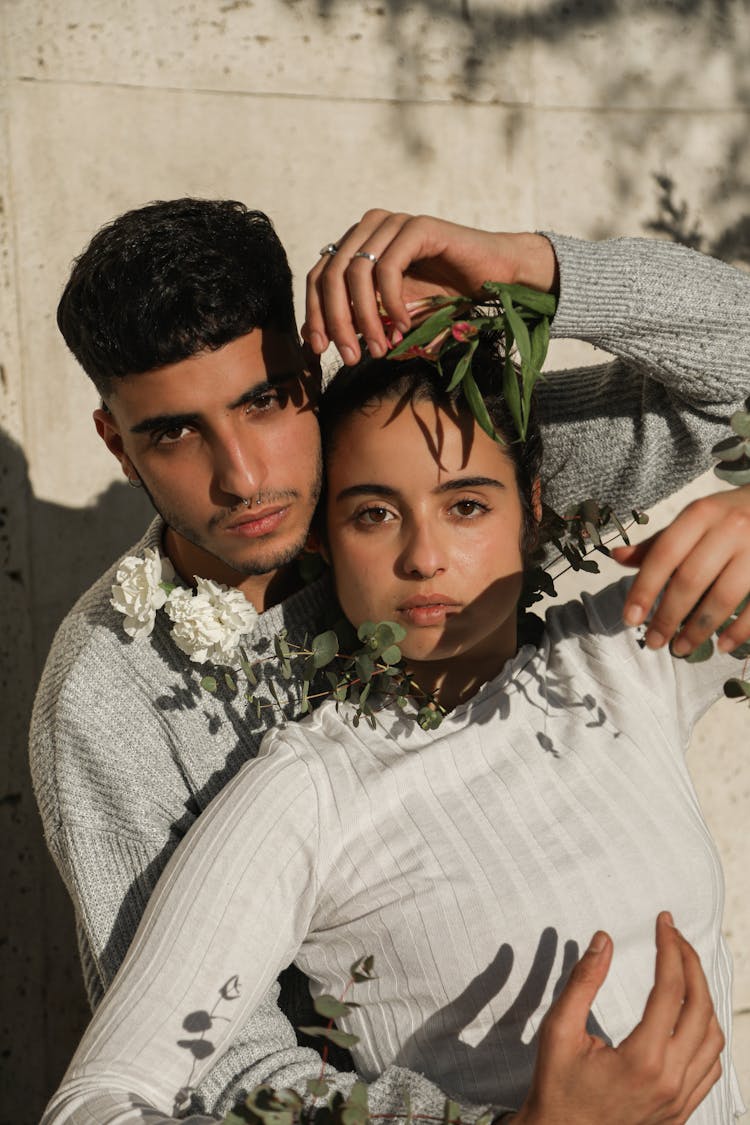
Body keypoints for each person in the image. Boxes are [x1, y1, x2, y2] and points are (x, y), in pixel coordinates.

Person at [30, 198, 750, 1118]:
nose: (245, 477)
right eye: (173, 431)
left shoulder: (416, 459)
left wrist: (528, 271)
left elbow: (729, 372)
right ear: (114, 443)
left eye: (266, 401)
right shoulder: (110, 697)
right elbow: (214, 1068)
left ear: (307, 360)